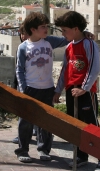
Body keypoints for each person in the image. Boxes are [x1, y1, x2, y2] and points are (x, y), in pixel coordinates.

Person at [53, 11, 100, 171]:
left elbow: (94, 68)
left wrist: (84, 88)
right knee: (76, 126)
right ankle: (81, 156)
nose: (63, 34)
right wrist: (58, 91)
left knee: (92, 125)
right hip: (72, 92)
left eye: (65, 30)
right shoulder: (69, 47)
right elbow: (65, 70)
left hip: (85, 92)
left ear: (76, 29)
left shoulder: (89, 44)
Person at [15, 12, 71, 163]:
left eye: (46, 26)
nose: (46, 29)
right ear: (33, 29)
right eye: (43, 27)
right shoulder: (23, 47)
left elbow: (66, 39)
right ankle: (23, 150)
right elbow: (19, 69)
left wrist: (84, 34)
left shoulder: (49, 41)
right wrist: (23, 88)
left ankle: (44, 149)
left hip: (47, 88)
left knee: (46, 121)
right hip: (30, 88)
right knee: (25, 121)